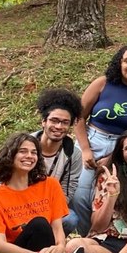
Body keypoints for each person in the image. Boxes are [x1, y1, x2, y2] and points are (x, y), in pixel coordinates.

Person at [73, 46, 127, 233]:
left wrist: (114, 157)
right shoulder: (102, 83)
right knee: (80, 195)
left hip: (124, 147)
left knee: (109, 195)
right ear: (119, 63)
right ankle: (87, 236)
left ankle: (102, 238)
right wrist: (86, 149)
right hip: (92, 140)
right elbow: (78, 117)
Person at [30, 88, 83, 233]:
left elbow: (67, 190)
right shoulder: (23, 145)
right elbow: (2, 180)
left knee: (70, 219)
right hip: (17, 204)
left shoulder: (73, 155)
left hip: (49, 206)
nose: (59, 127)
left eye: (65, 122)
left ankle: (48, 249)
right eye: (54, 120)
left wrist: (46, 211)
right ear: (43, 121)